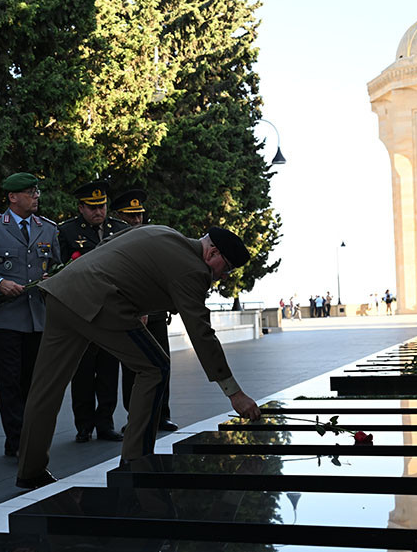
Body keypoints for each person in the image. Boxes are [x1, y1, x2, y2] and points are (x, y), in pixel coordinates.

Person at [15, 224, 262, 490]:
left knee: (45, 388)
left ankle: (31, 470)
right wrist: (234, 393)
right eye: (225, 269)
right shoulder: (194, 269)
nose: (223, 277)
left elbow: (108, 244)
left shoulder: (163, 232)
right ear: (212, 252)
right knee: (155, 368)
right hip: (100, 300)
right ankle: (136, 465)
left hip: (62, 292)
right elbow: (201, 333)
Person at [0, 172, 60, 458]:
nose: (36, 197)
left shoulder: (48, 229)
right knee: (10, 382)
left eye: (37, 192)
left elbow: (57, 265)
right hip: (8, 318)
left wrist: (50, 277)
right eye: (30, 193)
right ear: (12, 197)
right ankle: (16, 440)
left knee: (35, 382)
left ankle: (32, 435)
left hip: (38, 319)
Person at [56, 180, 129, 443]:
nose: (99, 212)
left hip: (110, 311)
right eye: (93, 207)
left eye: (103, 206)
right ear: (81, 208)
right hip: (82, 311)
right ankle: (84, 425)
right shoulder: (66, 231)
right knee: (83, 371)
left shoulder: (120, 230)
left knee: (109, 370)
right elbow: (60, 270)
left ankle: (106, 423)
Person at [111, 189, 178, 433]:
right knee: (133, 369)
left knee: (163, 363)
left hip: (157, 314)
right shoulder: (114, 243)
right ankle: (136, 418)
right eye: (130, 216)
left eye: (139, 215)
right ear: (119, 216)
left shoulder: (153, 237)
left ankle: (162, 414)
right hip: (130, 314)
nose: (136, 220)